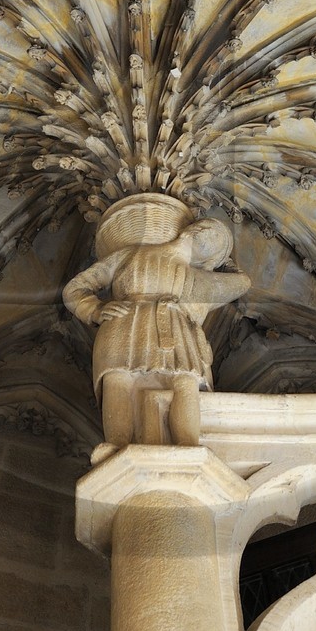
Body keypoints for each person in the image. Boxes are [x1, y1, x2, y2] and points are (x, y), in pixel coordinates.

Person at [63, 194, 250, 454]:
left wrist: (225, 261)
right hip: (124, 323)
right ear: (192, 229)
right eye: (209, 233)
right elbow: (76, 288)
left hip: (173, 327)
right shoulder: (130, 254)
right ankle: (116, 449)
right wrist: (95, 309)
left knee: (185, 379)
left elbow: (241, 284)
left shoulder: (196, 280)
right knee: (118, 378)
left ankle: (188, 448)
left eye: (215, 244)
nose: (208, 240)